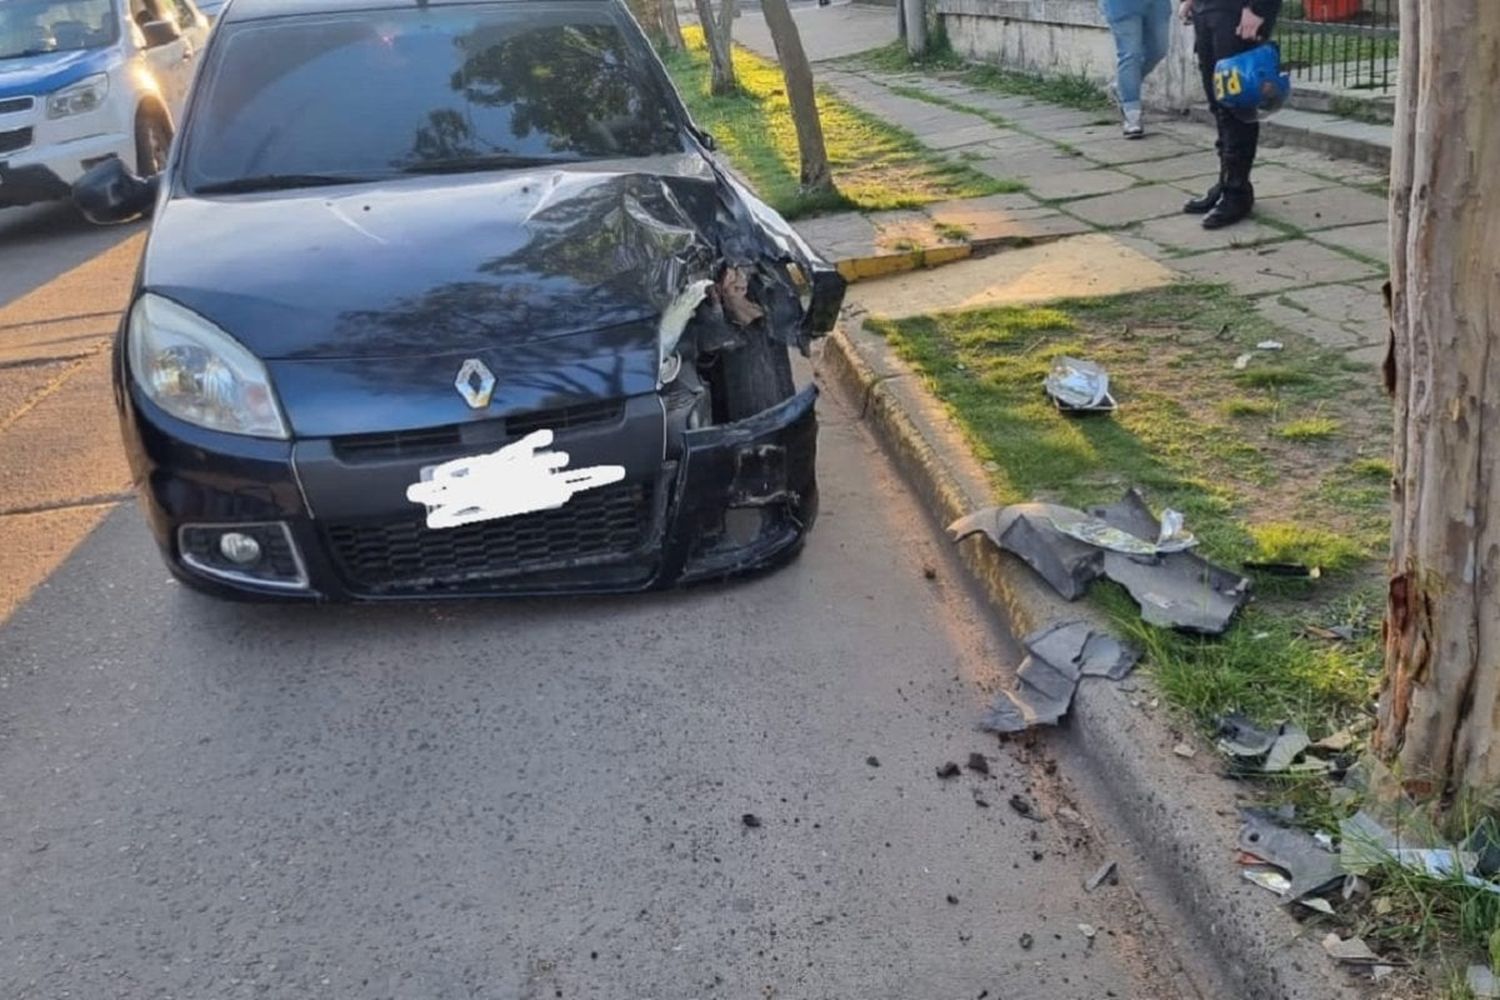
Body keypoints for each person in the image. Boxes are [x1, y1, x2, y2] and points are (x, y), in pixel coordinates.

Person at [1180, 0, 1282, 228]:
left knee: (1236, 105)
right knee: (1218, 104)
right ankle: (1227, 182)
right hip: (1208, 11)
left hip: (1237, 14)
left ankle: (1237, 192)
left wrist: (1257, 9)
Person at [1100, 0, 1173, 139]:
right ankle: (1132, 114)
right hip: (1121, 5)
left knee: (1159, 50)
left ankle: (1122, 86)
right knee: (1130, 53)